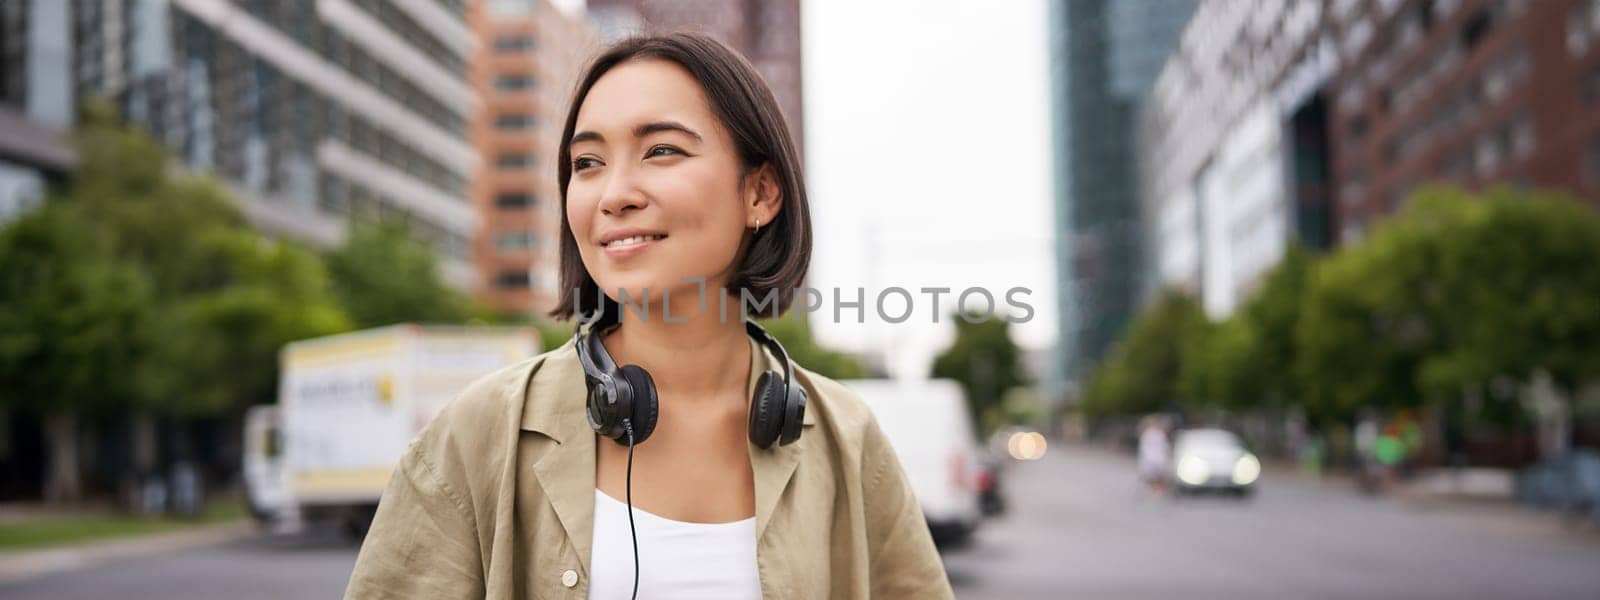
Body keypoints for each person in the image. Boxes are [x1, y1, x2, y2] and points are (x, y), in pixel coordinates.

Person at [343, 32, 952, 599]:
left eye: (660, 150)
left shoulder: (849, 440)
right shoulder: (478, 434)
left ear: (760, 193)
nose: (614, 195)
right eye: (587, 163)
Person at [1137, 416, 1171, 495]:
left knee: (1158, 474)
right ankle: (1155, 489)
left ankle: (1158, 489)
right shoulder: (1149, 434)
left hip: (1157, 456)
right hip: (1153, 457)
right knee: (1154, 475)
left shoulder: (1157, 433)